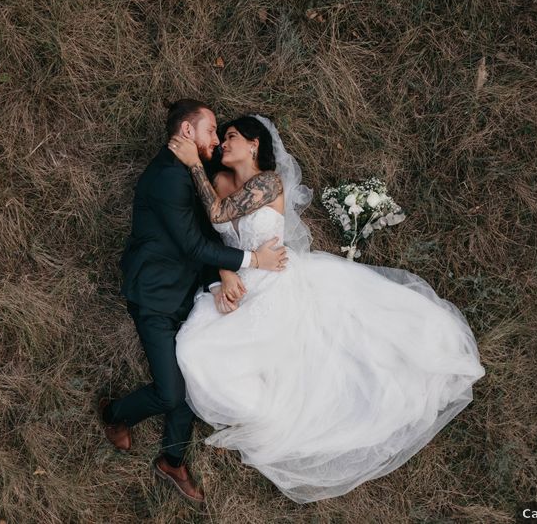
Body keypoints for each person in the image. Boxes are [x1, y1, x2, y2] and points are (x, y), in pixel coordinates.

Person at [167, 115, 486, 504]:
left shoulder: (268, 181)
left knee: (316, 362)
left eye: (231, 137)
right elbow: (210, 233)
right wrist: (225, 271)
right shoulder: (217, 183)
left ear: (254, 144)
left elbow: (219, 215)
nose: (222, 144)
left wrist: (193, 163)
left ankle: (278, 412)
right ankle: (264, 408)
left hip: (276, 284)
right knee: (192, 348)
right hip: (240, 282)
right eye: (222, 138)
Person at [100, 100, 288, 506]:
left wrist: (221, 275)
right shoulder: (169, 176)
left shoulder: (199, 174)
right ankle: (116, 414)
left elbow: (212, 230)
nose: (217, 140)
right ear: (188, 132)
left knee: (193, 372)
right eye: (212, 131)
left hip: (196, 288)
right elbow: (193, 242)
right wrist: (250, 262)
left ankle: (172, 460)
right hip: (156, 296)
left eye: (225, 135)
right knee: (173, 394)